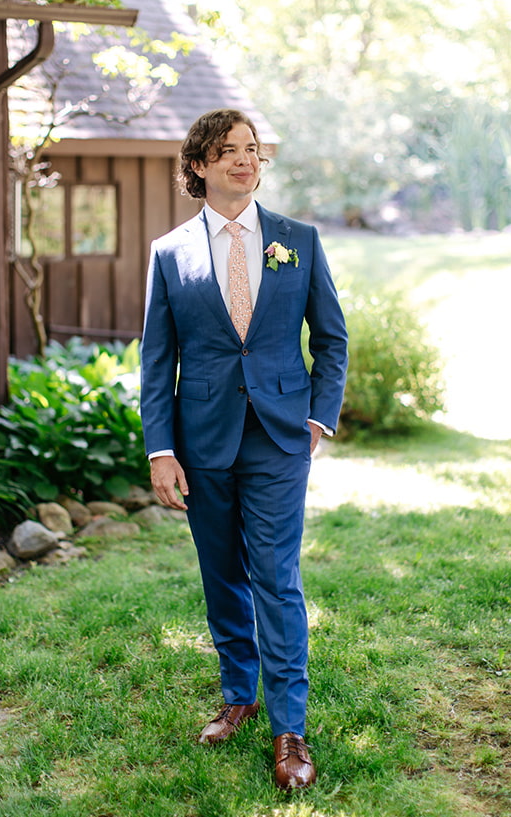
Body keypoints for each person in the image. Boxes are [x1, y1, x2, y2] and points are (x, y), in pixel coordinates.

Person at [140, 108, 348, 790]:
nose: (244, 160)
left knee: (277, 578)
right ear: (198, 165)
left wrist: (318, 418)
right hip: (201, 438)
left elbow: (332, 338)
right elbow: (157, 359)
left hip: (281, 434)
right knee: (221, 571)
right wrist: (160, 448)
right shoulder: (169, 253)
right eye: (227, 150)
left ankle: (290, 727)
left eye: (252, 149)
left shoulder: (298, 240)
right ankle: (239, 694)